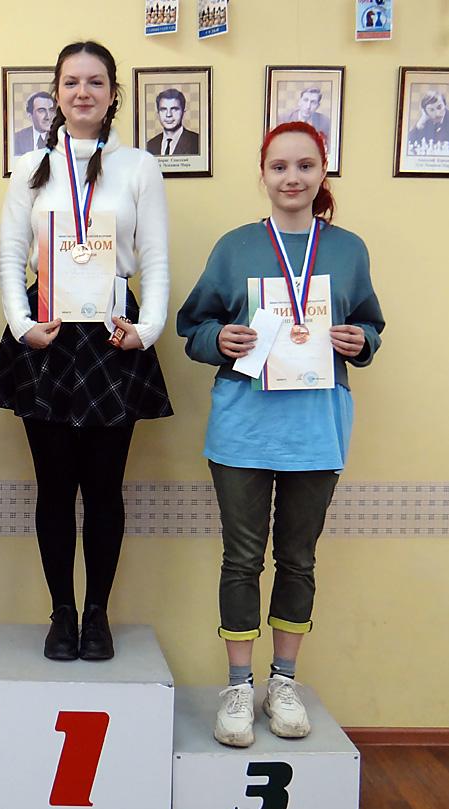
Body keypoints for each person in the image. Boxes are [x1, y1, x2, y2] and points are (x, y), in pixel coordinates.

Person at [177, 122, 384, 747]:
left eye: (305, 166)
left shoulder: (348, 250)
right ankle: (238, 687)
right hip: (244, 425)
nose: (292, 177)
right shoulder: (235, 247)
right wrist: (220, 339)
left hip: (316, 428)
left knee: (298, 558)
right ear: (263, 174)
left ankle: (283, 682)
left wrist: (360, 340)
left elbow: (370, 326)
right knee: (242, 559)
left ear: (323, 172)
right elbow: (194, 327)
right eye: (279, 167)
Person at [0, 40, 172, 662]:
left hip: (113, 337)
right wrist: (20, 324)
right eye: (71, 82)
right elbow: (12, 256)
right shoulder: (30, 166)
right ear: (56, 94)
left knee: (106, 488)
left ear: (113, 93)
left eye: (95, 82)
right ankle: (61, 612)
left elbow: (155, 258)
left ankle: (98, 614)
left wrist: (147, 330)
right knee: (55, 487)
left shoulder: (139, 166)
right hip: (48, 336)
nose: (83, 92)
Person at [146, 88, 200, 156]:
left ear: (183, 112)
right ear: (158, 113)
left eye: (174, 109)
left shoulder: (198, 142)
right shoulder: (149, 145)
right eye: (163, 109)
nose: (168, 114)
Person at [14, 91, 55, 155]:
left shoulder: (61, 136)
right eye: (41, 110)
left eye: (51, 110)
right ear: (30, 115)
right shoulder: (17, 139)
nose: (48, 117)